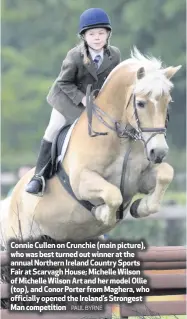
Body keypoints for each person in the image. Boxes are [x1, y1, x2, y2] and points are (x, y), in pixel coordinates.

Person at [25, 8, 121, 196]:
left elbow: (114, 81)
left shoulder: (114, 55)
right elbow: (63, 82)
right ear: (84, 36)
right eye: (92, 34)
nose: (97, 38)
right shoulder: (75, 56)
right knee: (53, 129)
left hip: (96, 103)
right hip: (67, 98)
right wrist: (82, 98)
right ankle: (39, 177)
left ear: (108, 34)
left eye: (101, 33)